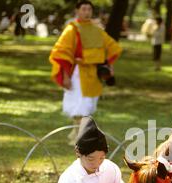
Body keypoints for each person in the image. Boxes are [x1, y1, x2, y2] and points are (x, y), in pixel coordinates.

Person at [49, 1, 122, 145]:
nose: (87, 12)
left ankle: (79, 134)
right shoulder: (72, 29)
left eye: (89, 9)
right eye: (83, 9)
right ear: (77, 11)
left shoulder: (97, 30)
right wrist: (65, 76)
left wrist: (109, 65)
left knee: (89, 105)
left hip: (94, 72)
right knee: (79, 105)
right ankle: (78, 136)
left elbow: (113, 47)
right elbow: (61, 53)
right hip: (77, 73)